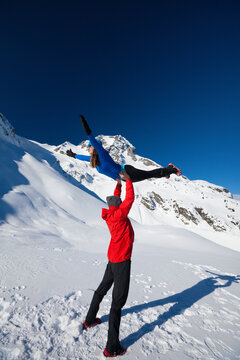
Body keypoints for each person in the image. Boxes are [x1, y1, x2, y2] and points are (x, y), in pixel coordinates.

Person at [82, 172, 134, 357]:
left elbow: (116, 199)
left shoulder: (111, 213)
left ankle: (89, 320)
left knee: (101, 290)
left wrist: (118, 184)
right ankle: (112, 348)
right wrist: (128, 181)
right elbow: (130, 199)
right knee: (117, 304)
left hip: (112, 259)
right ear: (118, 206)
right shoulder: (120, 215)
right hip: (121, 262)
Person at [66, 115, 181, 182]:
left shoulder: (101, 152)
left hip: (126, 171)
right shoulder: (94, 160)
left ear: (95, 146)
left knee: (149, 174)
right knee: (148, 175)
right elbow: (84, 158)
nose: (88, 148)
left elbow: (91, 138)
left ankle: (171, 169)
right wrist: (74, 155)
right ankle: (166, 171)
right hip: (125, 178)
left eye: (89, 147)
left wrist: (84, 123)